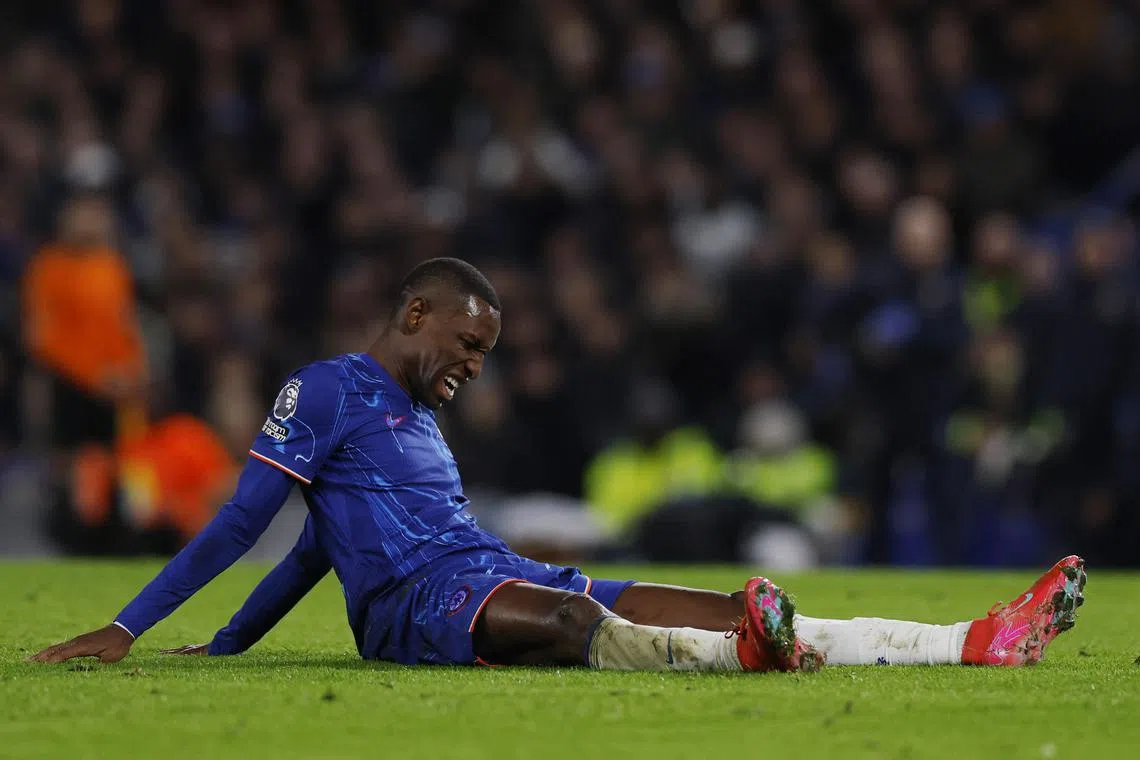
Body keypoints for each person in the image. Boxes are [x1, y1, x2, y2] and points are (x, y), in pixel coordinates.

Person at [30, 258, 1087, 672]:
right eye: (466, 345)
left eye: (484, 356)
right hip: (420, 604)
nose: (471, 370)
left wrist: (228, 646)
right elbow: (240, 523)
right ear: (413, 315)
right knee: (584, 627)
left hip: (484, 570)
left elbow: (312, 555)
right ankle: (747, 661)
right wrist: (133, 629)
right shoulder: (326, 390)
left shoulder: (412, 421)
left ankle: (974, 640)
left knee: (725, 602)